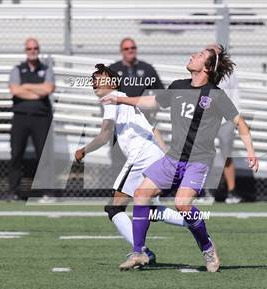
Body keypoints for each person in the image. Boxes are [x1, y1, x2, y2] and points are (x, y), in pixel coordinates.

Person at [101, 47, 259, 272]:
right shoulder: (178, 86)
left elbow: (240, 123)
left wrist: (250, 151)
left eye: (200, 55)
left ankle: (207, 246)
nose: (193, 55)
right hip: (173, 158)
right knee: (141, 194)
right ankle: (138, 253)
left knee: (182, 204)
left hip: (198, 160)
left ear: (206, 68)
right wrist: (122, 100)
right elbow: (153, 102)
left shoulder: (216, 95)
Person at [75, 64, 187, 263]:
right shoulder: (125, 100)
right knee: (150, 208)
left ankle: (141, 251)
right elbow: (153, 129)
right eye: (93, 78)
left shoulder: (112, 99)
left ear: (112, 82)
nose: (94, 81)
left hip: (141, 157)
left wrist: (84, 150)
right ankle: (193, 221)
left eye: (99, 77)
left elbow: (105, 135)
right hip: (152, 155)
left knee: (114, 209)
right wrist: (167, 155)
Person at [108, 38, 165, 183]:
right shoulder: (113, 70)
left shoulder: (147, 69)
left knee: (147, 156)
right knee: (118, 159)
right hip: (120, 123)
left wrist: (153, 107)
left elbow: (161, 93)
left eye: (133, 47)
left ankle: (146, 192)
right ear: (121, 51)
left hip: (143, 121)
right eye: (126, 48)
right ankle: (118, 194)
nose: (130, 50)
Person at [7, 38, 55, 201]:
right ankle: (13, 192)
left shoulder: (46, 69)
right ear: (25, 51)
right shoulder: (17, 69)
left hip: (42, 118)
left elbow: (48, 89)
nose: (32, 50)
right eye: (29, 48)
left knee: (44, 155)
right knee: (16, 154)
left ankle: (47, 192)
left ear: (38, 49)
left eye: (35, 48)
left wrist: (26, 86)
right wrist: (37, 91)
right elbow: (14, 90)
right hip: (20, 117)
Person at [208, 44, 242, 203]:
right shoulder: (203, 69)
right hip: (207, 119)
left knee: (226, 155)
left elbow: (235, 94)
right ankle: (206, 192)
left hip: (225, 119)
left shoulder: (230, 72)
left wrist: (235, 118)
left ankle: (232, 192)